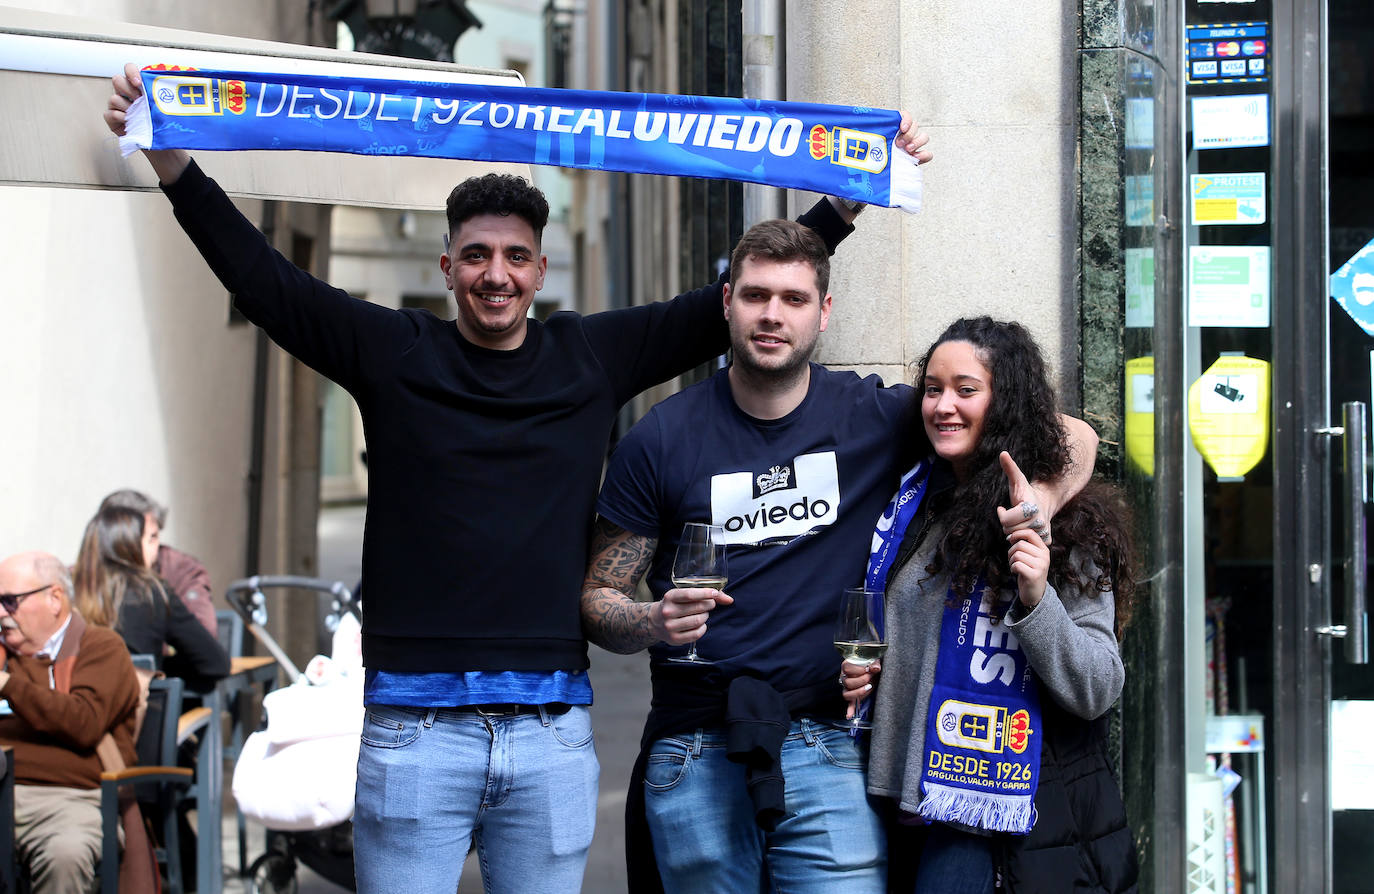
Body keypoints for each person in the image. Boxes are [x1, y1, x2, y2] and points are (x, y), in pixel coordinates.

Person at [102, 62, 933, 893]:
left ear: (540, 270)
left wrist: (851, 189)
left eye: (514, 256)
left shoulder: (588, 356)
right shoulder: (394, 354)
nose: (494, 273)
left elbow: (746, 293)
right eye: (475, 256)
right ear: (446, 265)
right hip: (415, 726)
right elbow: (267, 283)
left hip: (550, 731)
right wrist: (173, 163)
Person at [580, 222, 1097, 892]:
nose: (772, 314)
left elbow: (1072, 434)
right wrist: (653, 620)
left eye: (794, 299)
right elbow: (597, 600)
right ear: (727, 303)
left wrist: (1040, 510)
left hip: (829, 740)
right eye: (756, 295)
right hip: (696, 744)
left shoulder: (874, 417)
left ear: (823, 312)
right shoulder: (659, 438)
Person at [861, 317, 1138, 893]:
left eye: (967, 390)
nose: (944, 406)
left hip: (987, 824)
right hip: (891, 804)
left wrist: (1036, 597)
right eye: (933, 389)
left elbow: (1098, 685)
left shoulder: (1062, 524)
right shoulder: (917, 503)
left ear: (1004, 400)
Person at [0, 551, 141, 894]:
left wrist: (6, 685)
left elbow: (83, 722)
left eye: (9, 601)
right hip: (3, 792)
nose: (1, 613)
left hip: (71, 801)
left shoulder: (101, 648)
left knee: (65, 854)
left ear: (55, 598)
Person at [73, 505, 230, 692]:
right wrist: (156, 667)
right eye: (151, 539)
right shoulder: (150, 593)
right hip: (136, 713)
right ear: (129, 545)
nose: (158, 550)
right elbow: (215, 663)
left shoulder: (69, 592)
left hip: (75, 711)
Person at [99, 488, 218, 638]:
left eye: (153, 537)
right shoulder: (84, 576)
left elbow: (203, 640)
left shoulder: (182, 571)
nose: (144, 547)